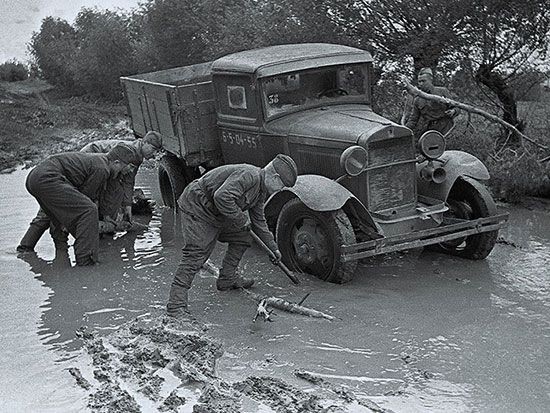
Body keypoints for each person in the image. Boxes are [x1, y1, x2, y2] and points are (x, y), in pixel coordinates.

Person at [166, 154, 298, 318]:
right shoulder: (249, 175)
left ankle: (227, 277)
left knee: (243, 237)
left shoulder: (261, 190)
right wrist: (241, 219)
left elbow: (259, 221)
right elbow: (222, 196)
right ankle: (176, 306)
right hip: (198, 207)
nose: (279, 190)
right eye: (281, 186)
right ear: (275, 177)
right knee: (196, 254)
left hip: (218, 212)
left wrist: (273, 249)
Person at [17, 131, 163, 252]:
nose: (154, 155)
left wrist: (127, 206)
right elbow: (102, 185)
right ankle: (32, 246)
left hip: (100, 167)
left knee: (105, 199)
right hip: (90, 160)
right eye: (154, 149)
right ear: (144, 143)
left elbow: (127, 182)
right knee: (63, 206)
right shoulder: (127, 152)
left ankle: (68, 244)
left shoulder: (137, 157)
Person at [23, 145, 135, 265]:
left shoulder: (101, 161)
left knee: (55, 216)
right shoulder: (102, 169)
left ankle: (27, 249)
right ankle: (85, 261)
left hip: (34, 178)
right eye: (126, 165)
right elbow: (87, 196)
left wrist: (106, 215)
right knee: (88, 210)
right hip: (48, 178)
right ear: (116, 162)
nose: (129, 170)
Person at [404, 67, 458, 138]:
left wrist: (453, 111)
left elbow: (457, 107)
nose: (421, 84)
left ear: (430, 80)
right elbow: (413, 120)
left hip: (446, 126)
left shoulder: (442, 91)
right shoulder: (417, 100)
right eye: (419, 81)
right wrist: (404, 130)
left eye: (423, 81)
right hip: (431, 129)